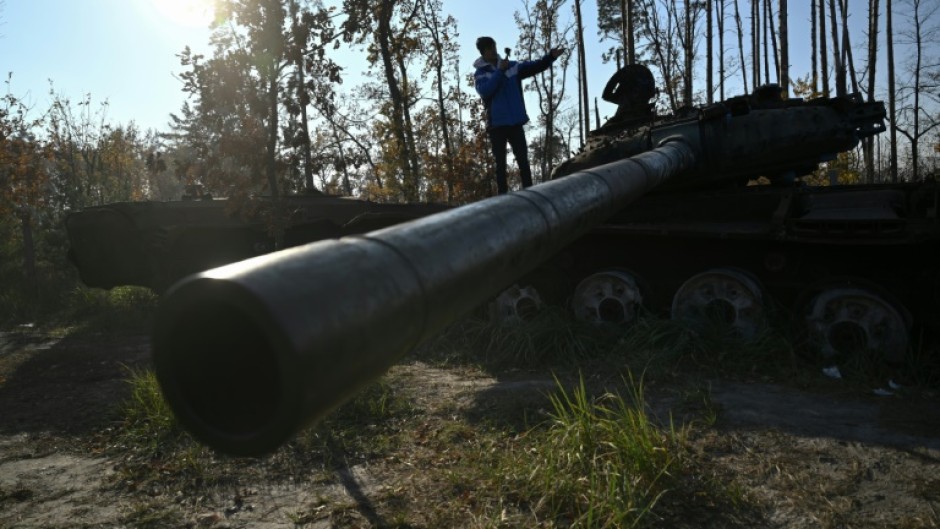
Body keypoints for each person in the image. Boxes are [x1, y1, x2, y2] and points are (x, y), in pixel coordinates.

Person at [474, 36, 564, 194]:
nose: (493, 51)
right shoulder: (480, 74)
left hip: (515, 122)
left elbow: (534, 66)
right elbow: (486, 91)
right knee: (500, 165)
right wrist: (500, 71)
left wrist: (550, 57)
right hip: (497, 125)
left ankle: (530, 196)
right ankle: (502, 200)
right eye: (489, 49)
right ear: (483, 53)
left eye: (494, 47)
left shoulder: (513, 67)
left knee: (524, 162)